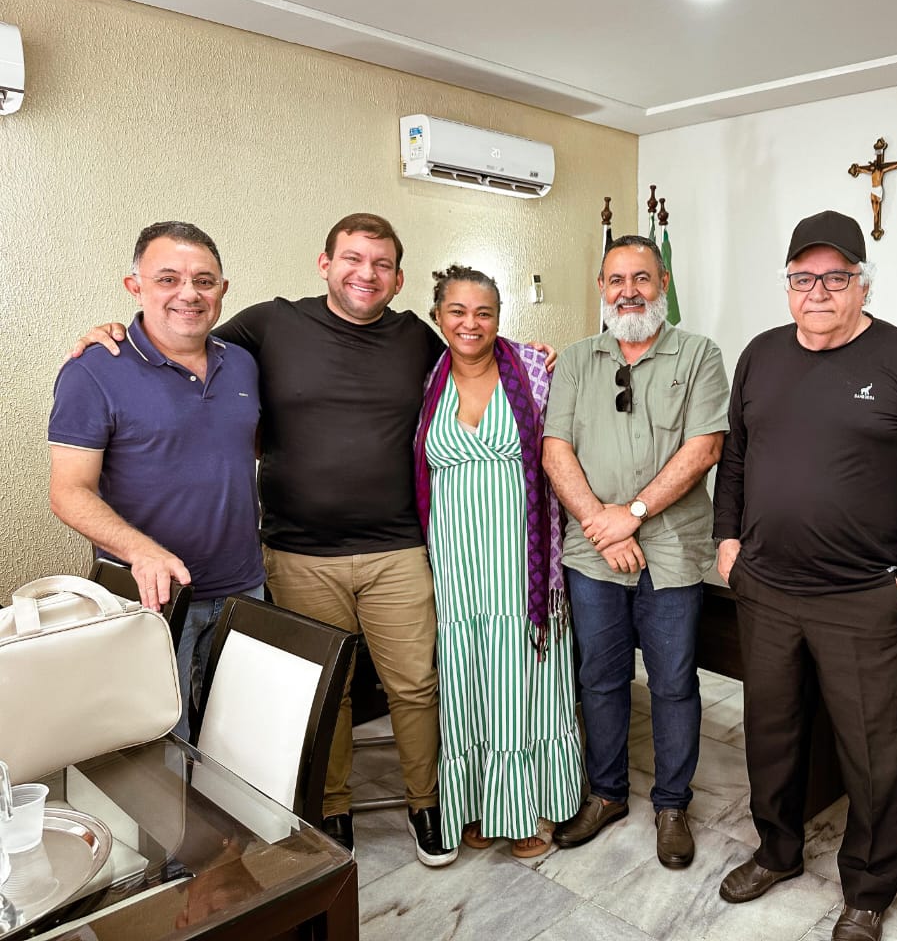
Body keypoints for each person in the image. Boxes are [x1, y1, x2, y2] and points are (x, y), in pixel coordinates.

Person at [70, 213, 556, 866]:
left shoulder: (415, 337)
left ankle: (428, 802)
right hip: (298, 554)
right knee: (328, 691)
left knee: (416, 685)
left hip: (397, 549)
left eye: (382, 264)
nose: (366, 273)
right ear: (325, 264)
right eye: (352, 258)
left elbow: (473, 350)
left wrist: (530, 357)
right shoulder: (268, 326)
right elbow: (179, 331)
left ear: (399, 279)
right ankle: (332, 807)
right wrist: (107, 334)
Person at [713, 210, 897, 941]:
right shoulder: (761, 355)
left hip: (863, 597)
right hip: (766, 590)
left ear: (862, 283)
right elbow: (735, 458)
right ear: (788, 284)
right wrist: (727, 540)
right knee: (771, 736)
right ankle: (777, 850)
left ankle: (869, 888)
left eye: (835, 277)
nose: (817, 292)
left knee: (874, 755)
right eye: (803, 278)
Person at [542, 234, 729, 868]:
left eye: (642, 278)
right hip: (593, 550)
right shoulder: (576, 359)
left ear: (663, 284)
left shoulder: (699, 354)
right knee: (599, 678)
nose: (629, 291)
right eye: (616, 280)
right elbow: (555, 449)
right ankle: (607, 794)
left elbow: (703, 448)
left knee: (674, 683)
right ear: (601, 288)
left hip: (672, 549)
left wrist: (634, 514)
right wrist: (602, 523)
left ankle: (672, 804)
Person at [49, 221, 264, 742]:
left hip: (244, 588)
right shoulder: (93, 370)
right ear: (135, 286)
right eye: (168, 279)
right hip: (152, 599)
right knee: (163, 747)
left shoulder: (242, 364)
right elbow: (68, 491)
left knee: (244, 741)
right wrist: (141, 552)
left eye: (204, 281)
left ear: (223, 290)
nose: (189, 293)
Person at [411, 264, 582, 858]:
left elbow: (566, 448)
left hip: (521, 565)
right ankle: (483, 802)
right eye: (457, 311)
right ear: (438, 316)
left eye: (484, 312)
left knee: (521, 675)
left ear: (499, 318)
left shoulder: (534, 369)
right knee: (466, 679)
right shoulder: (424, 378)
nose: (471, 323)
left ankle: (530, 809)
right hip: (456, 565)